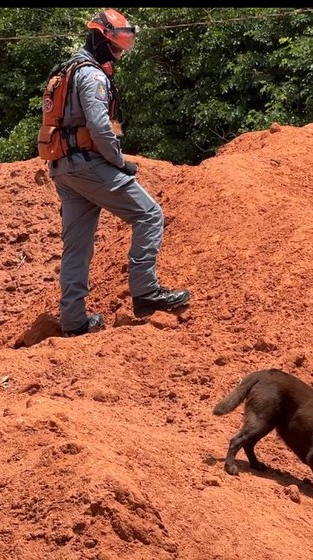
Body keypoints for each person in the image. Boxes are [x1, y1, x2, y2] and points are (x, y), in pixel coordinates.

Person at [43, 9, 191, 337]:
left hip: (63, 167)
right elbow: (98, 126)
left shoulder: (67, 69)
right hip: (87, 164)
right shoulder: (92, 75)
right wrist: (119, 161)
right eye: (117, 48)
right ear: (102, 39)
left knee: (77, 247)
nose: (120, 54)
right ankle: (146, 293)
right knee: (150, 214)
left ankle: (74, 322)